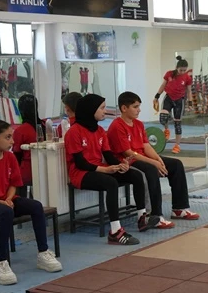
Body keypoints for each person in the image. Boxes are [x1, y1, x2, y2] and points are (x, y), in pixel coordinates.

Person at [0, 120, 62, 285]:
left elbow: (14, 184)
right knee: (6, 212)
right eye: (8, 137)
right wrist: (0, 202)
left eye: (12, 137)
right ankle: (0, 262)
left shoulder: (10, 157)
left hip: (6, 201)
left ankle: (43, 252)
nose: (12, 141)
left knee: (36, 206)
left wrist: (8, 198)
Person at [64, 94, 158, 245]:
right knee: (111, 183)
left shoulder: (100, 130)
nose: (105, 111)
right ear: (91, 110)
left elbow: (109, 156)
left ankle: (142, 217)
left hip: (100, 168)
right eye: (102, 108)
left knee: (135, 175)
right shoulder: (74, 132)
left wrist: (121, 165)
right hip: (81, 174)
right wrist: (105, 170)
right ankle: (115, 232)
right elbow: (80, 163)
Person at [108, 91, 199, 229]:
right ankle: (155, 216)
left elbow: (146, 145)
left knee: (176, 165)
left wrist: (158, 159)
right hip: (128, 161)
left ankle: (179, 208)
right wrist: (154, 163)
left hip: (142, 157)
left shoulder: (138, 124)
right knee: (151, 169)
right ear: (124, 108)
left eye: (139, 106)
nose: (139, 110)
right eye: (135, 107)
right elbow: (129, 153)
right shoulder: (117, 126)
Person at [154, 56, 192, 154]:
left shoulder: (187, 78)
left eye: (184, 70)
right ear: (177, 67)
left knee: (177, 124)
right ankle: (166, 130)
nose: (182, 72)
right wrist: (157, 96)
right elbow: (163, 85)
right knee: (163, 117)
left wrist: (190, 102)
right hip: (169, 98)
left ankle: (177, 145)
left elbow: (189, 91)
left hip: (179, 101)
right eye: (181, 70)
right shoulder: (169, 74)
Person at [12, 95, 45, 197]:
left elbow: (16, 155)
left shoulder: (21, 130)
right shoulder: (45, 125)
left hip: (28, 171)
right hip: (45, 167)